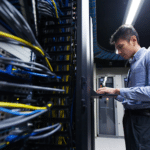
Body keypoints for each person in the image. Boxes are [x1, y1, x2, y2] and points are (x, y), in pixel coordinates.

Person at [96, 24, 150, 150]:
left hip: (143, 119)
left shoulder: (147, 56)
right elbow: (134, 98)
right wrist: (114, 95)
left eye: (121, 47)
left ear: (133, 40)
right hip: (131, 118)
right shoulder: (133, 64)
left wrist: (117, 90)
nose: (119, 52)